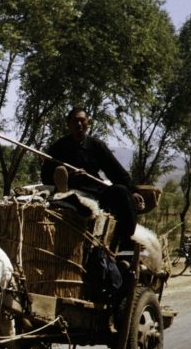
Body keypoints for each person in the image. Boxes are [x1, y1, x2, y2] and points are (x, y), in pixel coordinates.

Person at [40, 107, 145, 251]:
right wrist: (69, 176)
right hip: (72, 191)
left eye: (82, 121)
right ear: (68, 124)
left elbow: (116, 171)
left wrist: (132, 191)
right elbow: (45, 176)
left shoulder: (96, 145)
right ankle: (68, 197)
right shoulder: (58, 147)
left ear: (88, 123)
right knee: (69, 197)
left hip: (97, 192)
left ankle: (125, 246)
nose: (79, 125)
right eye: (75, 121)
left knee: (121, 191)